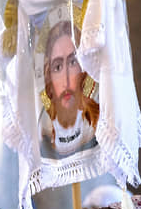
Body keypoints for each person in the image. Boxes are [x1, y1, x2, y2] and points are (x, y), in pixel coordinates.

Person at [39, 20, 100, 159]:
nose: (65, 81)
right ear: (49, 76)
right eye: (58, 67)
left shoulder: (97, 125)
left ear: (84, 70)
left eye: (73, 62)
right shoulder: (44, 131)